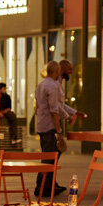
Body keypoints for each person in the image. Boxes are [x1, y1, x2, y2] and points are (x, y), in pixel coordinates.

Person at [34, 61, 87, 196]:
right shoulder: (53, 86)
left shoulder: (41, 84)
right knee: (49, 157)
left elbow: (57, 106)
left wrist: (73, 113)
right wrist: (60, 127)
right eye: (68, 69)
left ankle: (49, 184)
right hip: (49, 126)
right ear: (59, 70)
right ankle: (42, 188)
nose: (71, 71)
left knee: (52, 155)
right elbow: (55, 108)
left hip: (41, 124)